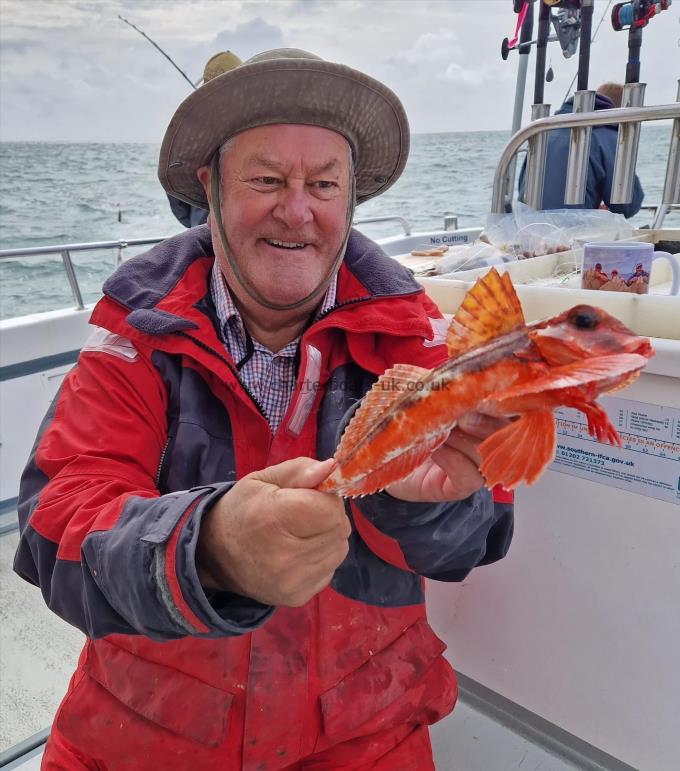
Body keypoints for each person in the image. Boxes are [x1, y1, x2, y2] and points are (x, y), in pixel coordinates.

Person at [15, 49, 514, 769]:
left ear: (350, 198)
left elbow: (477, 539)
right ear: (209, 187)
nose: (297, 208)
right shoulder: (136, 324)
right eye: (266, 179)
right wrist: (207, 547)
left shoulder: (417, 332)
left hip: (367, 739)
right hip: (140, 739)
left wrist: (416, 502)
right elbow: (54, 529)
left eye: (323, 182)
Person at [518, 82, 644, 218]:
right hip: (570, 232)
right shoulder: (610, 137)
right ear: (622, 111)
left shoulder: (543, 133)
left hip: (527, 228)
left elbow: (522, 189)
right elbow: (627, 205)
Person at [167, 50, 242, 228]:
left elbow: (177, 196)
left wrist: (197, 223)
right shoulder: (258, 130)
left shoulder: (187, 133)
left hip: (201, 231)